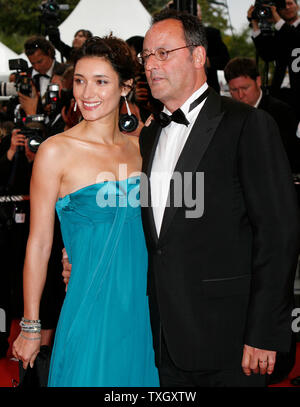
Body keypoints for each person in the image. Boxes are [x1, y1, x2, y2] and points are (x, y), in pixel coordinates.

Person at [138, 8, 299, 387]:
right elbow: (161, 238)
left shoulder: (248, 124)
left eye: (163, 53)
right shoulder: (150, 135)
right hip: (165, 339)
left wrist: (263, 332)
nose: (151, 65)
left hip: (231, 338)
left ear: (198, 56)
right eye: (146, 56)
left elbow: (278, 234)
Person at [12, 35, 159, 387]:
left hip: (145, 309)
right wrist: (31, 326)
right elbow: (39, 244)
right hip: (91, 305)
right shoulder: (56, 151)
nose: (86, 93)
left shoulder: (144, 148)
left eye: (101, 81)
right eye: (79, 80)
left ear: (125, 87)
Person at [224, 56, 300, 173]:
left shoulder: (282, 113)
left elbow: (286, 156)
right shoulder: (227, 114)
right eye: (234, 90)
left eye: (245, 88)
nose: (240, 95)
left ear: (258, 81)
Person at [248, 0, 300, 118]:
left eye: (290, 3)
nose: (287, 8)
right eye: (283, 5)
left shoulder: (285, 29)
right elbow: (267, 55)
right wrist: (255, 23)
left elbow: (296, 39)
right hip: (279, 92)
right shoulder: (280, 31)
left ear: (297, 6)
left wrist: (277, 20)